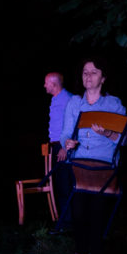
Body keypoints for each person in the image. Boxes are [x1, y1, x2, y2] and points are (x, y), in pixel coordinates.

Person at [60, 57, 126, 254]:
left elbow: (126, 139)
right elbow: (65, 133)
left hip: (104, 168)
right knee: (78, 214)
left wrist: (106, 133)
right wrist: (68, 142)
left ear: (103, 78)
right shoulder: (74, 104)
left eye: (94, 72)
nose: (88, 76)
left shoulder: (113, 104)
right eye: (85, 72)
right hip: (80, 166)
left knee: (97, 214)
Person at [44, 72, 73, 233]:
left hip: (64, 147)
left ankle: (68, 224)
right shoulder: (56, 99)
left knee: (65, 185)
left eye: (46, 83)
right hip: (56, 146)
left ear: (54, 84)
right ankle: (65, 222)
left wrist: (64, 147)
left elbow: (73, 124)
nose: (44, 86)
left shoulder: (67, 99)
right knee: (61, 185)